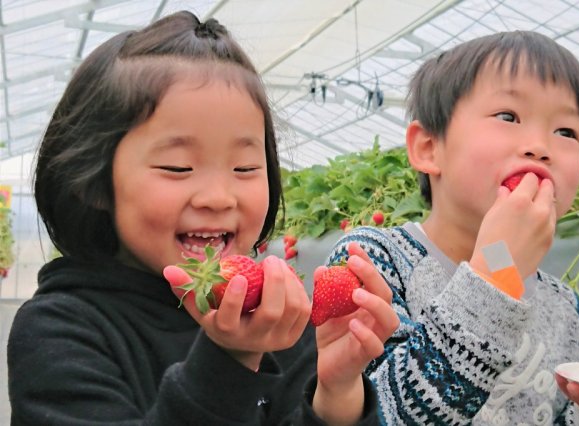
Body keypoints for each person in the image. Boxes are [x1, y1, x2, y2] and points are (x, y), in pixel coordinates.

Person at [7, 11, 399, 426]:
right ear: (93, 182)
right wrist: (229, 362)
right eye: (177, 167)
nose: (218, 197)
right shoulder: (60, 330)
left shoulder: (280, 320)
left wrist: (336, 394)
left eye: (246, 167)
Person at [326, 31, 579, 425]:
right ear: (429, 148)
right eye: (508, 116)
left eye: (566, 132)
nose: (540, 146)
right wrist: (497, 272)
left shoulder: (568, 310)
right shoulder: (374, 261)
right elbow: (382, 414)